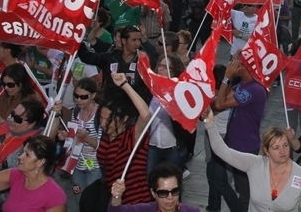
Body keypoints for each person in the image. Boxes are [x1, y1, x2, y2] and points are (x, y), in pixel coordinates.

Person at [204, 109, 301, 211]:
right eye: (276, 148)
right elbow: (222, 151)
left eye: (286, 145)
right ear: (266, 151)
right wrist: (210, 123)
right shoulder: (254, 164)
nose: (282, 151)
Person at [214, 57, 268, 211]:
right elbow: (220, 100)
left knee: (245, 193)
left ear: (243, 66)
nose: (230, 65)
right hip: (233, 143)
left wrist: (226, 78)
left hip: (244, 147)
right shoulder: (242, 86)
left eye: (234, 62)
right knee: (223, 181)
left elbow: (220, 104)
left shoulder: (255, 89)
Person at [97, 71, 153, 205]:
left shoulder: (131, 137)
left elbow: (145, 115)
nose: (103, 124)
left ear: (124, 119)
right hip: (115, 199)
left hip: (136, 201)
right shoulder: (106, 137)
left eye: (109, 120)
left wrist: (124, 85)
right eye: (101, 118)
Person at [51, 77, 102, 205]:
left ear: (93, 95)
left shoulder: (101, 114)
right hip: (76, 163)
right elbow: (73, 134)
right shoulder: (76, 110)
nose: (78, 100)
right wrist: (67, 135)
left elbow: (102, 146)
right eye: (76, 96)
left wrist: (86, 138)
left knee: (91, 201)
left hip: (94, 165)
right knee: (79, 199)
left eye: (83, 97)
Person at [77, 25, 158, 101]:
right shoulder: (111, 57)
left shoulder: (143, 61)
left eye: (139, 40)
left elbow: (148, 87)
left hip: (132, 107)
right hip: (110, 104)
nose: (137, 43)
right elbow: (87, 57)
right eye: (134, 40)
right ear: (123, 41)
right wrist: (77, 41)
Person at [145, 54, 195, 175]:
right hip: (152, 146)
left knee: (173, 184)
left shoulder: (181, 92)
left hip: (173, 148)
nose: (161, 69)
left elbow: (189, 121)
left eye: (167, 67)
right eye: (160, 65)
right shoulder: (150, 89)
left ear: (175, 71)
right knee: (150, 182)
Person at [109, 163, 199, 212]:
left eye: (175, 191)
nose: (170, 197)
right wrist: (117, 196)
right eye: (163, 193)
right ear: (153, 193)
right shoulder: (144, 210)